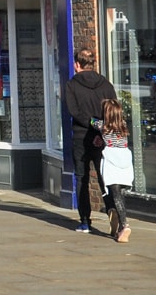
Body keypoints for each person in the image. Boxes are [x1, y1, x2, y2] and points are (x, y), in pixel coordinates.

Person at [64, 47, 117, 233]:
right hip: (103, 138)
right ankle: (113, 210)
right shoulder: (106, 85)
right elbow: (113, 110)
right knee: (106, 177)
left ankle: (85, 220)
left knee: (81, 178)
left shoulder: (72, 85)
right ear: (93, 64)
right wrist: (101, 127)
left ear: (77, 65)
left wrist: (92, 124)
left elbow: (74, 112)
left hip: (81, 137)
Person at [93, 98, 134, 243]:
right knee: (121, 195)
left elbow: (91, 121)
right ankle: (121, 225)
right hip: (125, 160)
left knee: (115, 194)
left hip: (111, 161)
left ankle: (124, 225)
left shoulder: (101, 125)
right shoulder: (123, 126)